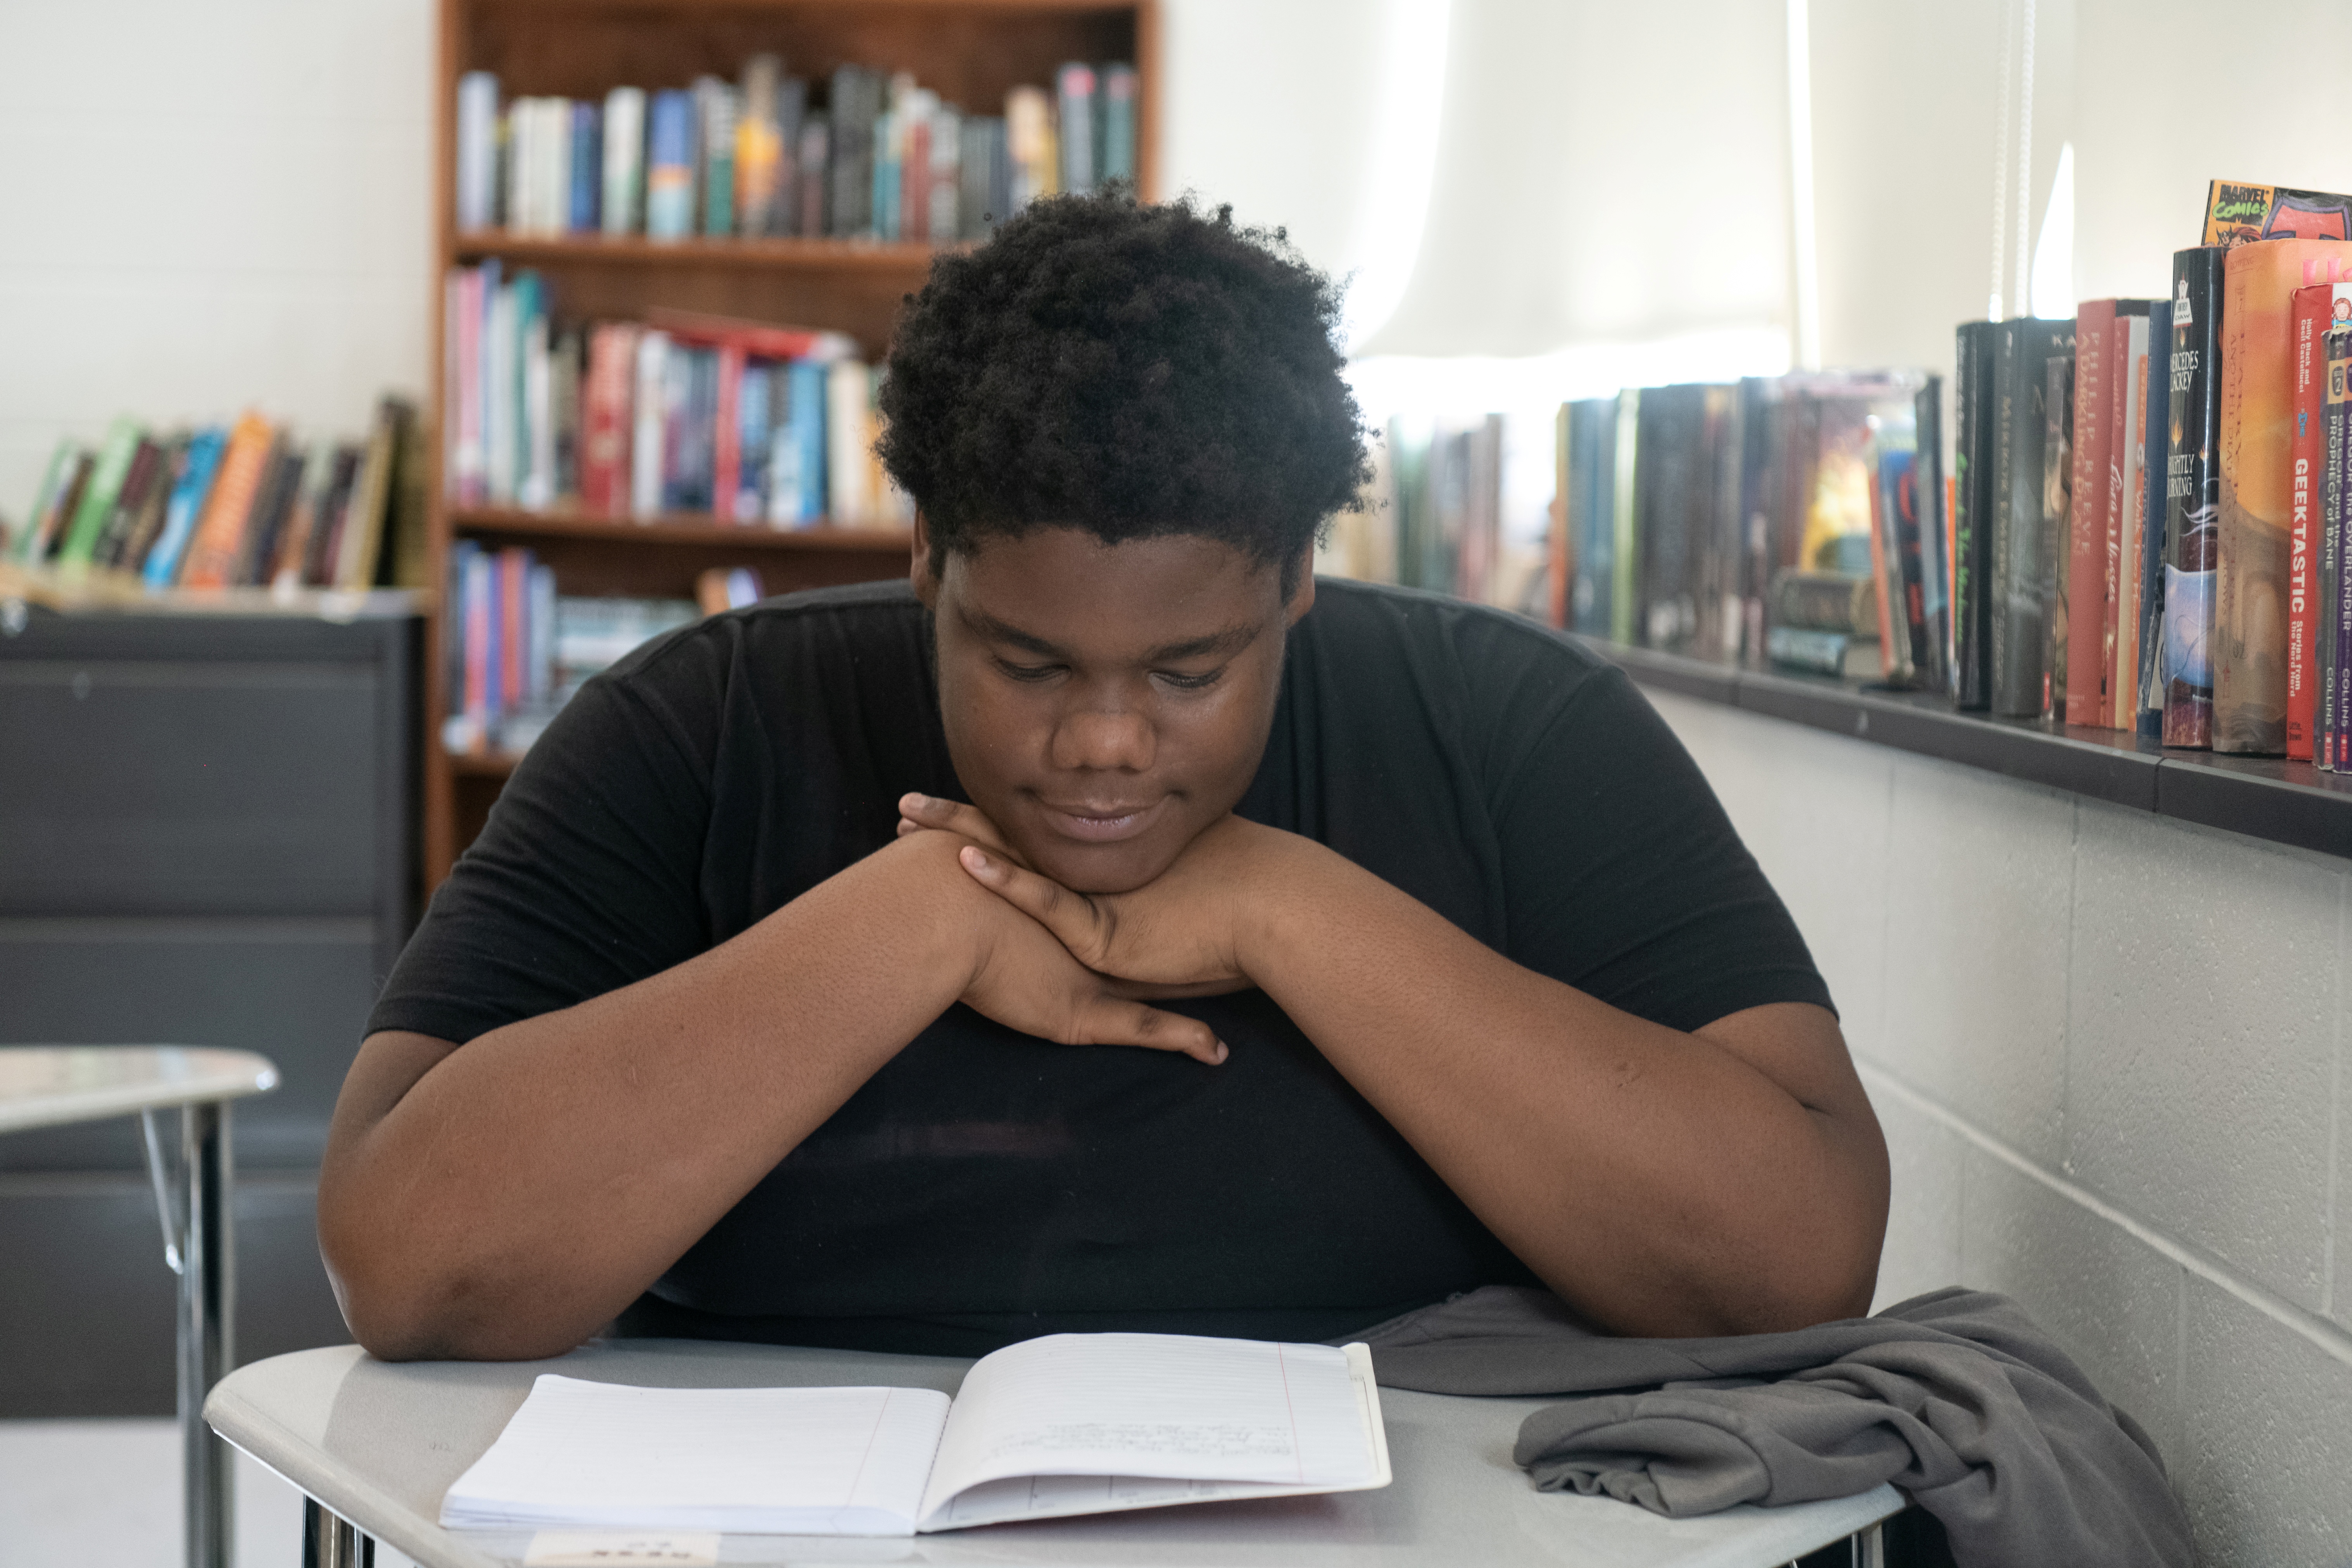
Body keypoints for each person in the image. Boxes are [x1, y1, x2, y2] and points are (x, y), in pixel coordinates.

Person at [320, 193, 1888, 1363]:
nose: (1104, 746)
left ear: (1292, 587)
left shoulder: (1507, 723)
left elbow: (1795, 1259)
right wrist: (918, 919)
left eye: (1189, 672)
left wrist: (1285, 908)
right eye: (1027, 662)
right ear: (923, 562)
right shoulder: (698, 725)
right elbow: (405, 1263)